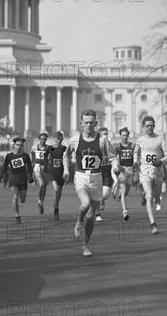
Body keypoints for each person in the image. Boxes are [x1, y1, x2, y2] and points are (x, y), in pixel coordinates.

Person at [63, 109, 119, 257]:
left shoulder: (102, 140)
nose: (89, 125)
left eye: (91, 123)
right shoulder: (74, 140)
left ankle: (86, 244)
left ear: (96, 123)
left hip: (96, 178)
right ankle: (78, 221)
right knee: (85, 203)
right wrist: (66, 170)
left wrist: (115, 166)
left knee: (91, 216)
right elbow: (66, 156)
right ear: (81, 124)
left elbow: (113, 157)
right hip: (81, 176)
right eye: (86, 123)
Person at [134, 117, 167, 234]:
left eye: (152, 125)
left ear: (154, 126)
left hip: (158, 171)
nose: (150, 127)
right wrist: (135, 162)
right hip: (145, 171)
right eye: (147, 126)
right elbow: (136, 153)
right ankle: (153, 224)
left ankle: (149, 198)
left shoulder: (160, 139)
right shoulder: (139, 140)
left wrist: (161, 161)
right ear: (143, 127)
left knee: (155, 196)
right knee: (149, 195)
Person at [0, 137, 33, 223]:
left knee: (22, 199)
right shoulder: (9, 156)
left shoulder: (26, 156)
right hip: (13, 179)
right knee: (15, 197)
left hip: (23, 180)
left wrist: (30, 176)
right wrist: (1, 175)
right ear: (14, 145)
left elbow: (30, 168)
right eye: (17, 145)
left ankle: (18, 212)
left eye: (21, 145)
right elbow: (4, 167)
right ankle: (17, 216)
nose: (19, 147)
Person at [113, 127, 136, 221]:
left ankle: (120, 195)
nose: (125, 137)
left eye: (126, 135)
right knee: (123, 190)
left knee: (126, 192)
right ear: (120, 136)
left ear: (128, 136)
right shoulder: (117, 146)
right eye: (123, 135)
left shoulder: (132, 145)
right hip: (122, 170)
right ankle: (125, 211)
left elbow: (135, 156)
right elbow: (115, 158)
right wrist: (119, 167)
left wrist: (135, 165)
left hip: (130, 170)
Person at [44, 131, 67, 220]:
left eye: (60, 139)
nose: (59, 141)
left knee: (59, 191)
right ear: (54, 139)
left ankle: (56, 205)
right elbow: (45, 156)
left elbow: (68, 157)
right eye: (57, 139)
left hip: (61, 171)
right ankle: (56, 206)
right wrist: (45, 165)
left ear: (62, 139)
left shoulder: (64, 148)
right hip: (52, 171)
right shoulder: (50, 148)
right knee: (55, 188)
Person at [96, 127, 116, 222]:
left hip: (107, 173)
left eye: (107, 134)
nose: (106, 136)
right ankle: (97, 214)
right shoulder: (95, 145)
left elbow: (114, 157)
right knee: (96, 195)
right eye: (104, 134)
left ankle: (102, 200)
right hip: (97, 173)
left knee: (105, 194)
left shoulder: (110, 144)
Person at [31, 132, 49, 215]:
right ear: (39, 139)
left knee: (44, 187)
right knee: (41, 184)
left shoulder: (49, 148)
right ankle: (39, 201)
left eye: (44, 139)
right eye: (41, 139)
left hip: (45, 168)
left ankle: (41, 202)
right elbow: (32, 157)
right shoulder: (34, 147)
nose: (43, 141)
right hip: (37, 167)